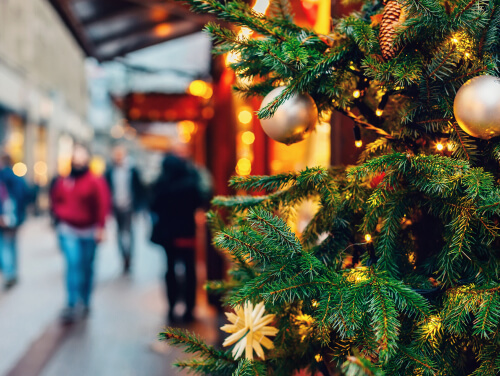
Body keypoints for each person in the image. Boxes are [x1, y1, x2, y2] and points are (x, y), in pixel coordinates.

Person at [50, 144, 110, 323]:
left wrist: (100, 226)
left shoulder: (95, 181)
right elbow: (56, 199)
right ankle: (71, 302)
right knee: (72, 264)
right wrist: (59, 215)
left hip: (89, 230)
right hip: (68, 229)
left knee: (87, 266)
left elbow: (102, 204)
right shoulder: (64, 180)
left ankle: (85, 299)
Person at [150, 153, 203, 323]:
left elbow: (153, 206)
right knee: (189, 270)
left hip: (168, 235)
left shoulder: (162, 183)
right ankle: (189, 308)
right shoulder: (190, 182)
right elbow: (200, 201)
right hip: (187, 233)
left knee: (170, 269)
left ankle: (172, 307)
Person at [105, 145, 143, 274]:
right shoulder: (110, 171)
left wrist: (138, 208)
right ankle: (124, 257)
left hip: (130, 207)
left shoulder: (133, 170)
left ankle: (130, 257)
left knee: (130, 233)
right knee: (120, 233)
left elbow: (139, 189)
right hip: (116, 207)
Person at [0, 154, 29, 289]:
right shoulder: (18, 178)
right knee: (12, 245)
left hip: (5, 218)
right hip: (15, 218)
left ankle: (10, 273)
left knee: (5, 246)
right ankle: (13, 271)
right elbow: (26, 195)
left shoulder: (3, 178)